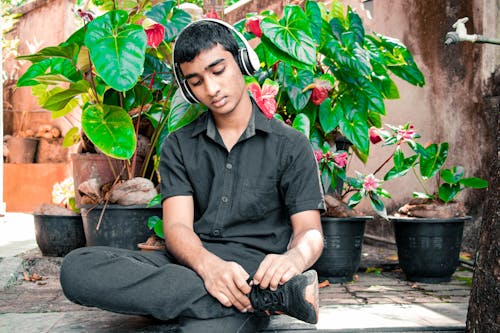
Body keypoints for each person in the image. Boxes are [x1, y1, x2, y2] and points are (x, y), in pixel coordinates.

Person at [60, 19, 325, 333]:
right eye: (196, 81)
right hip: (187, 263)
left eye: (218, 70)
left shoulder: (291, 145)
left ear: (242, 61)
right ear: (187, 87)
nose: (211, 89)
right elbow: (177, 227)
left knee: (203, 331)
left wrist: (294, 260)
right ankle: (265, 300)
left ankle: (217, 297)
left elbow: (309, 231)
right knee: (77, 268)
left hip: (249, 271)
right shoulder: (178, 145)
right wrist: (207, 267)